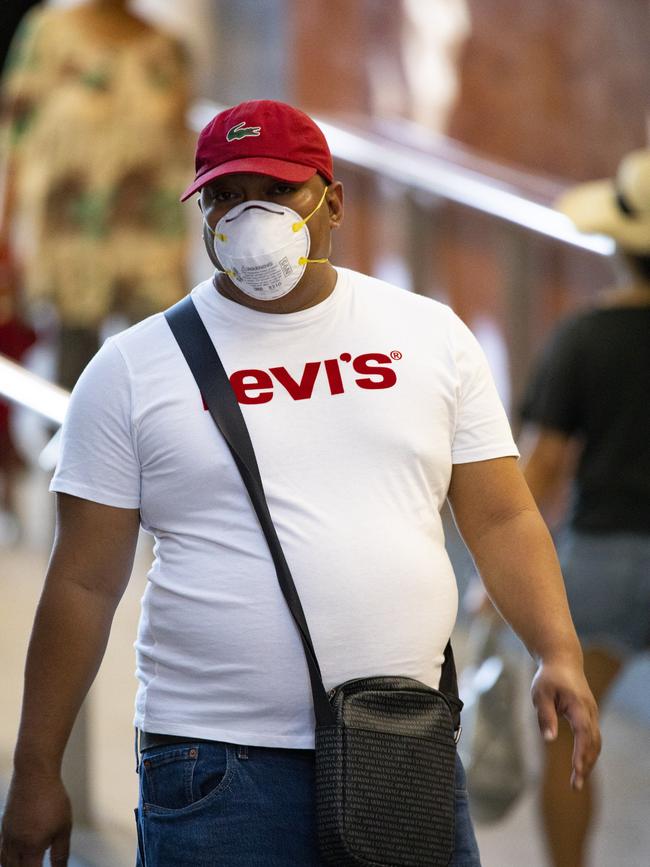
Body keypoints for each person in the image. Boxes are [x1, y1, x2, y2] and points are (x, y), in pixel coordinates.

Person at [0, 99, 600, 867]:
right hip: (215, 766)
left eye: (276, 190)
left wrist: (558, 648)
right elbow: (82, 581)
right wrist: (35, 769)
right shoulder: (130, 370)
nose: (248, 215)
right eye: (223, 194)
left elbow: (503, 517)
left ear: (333, 202)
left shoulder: (428, 336)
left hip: (403, 741)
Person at [518, 148, 650, 867]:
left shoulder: (586, 336)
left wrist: (491, 574)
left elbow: (539, 467)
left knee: (571, 730)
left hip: (604, 554)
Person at [0, 0, 192, 391]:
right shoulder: (49, 33)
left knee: (161, 360)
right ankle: (71, 448)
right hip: (70, 233)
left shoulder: (166, 47)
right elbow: (15, 134)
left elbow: (181, 148)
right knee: (74, 361)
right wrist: (6, 226)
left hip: (149, 235)